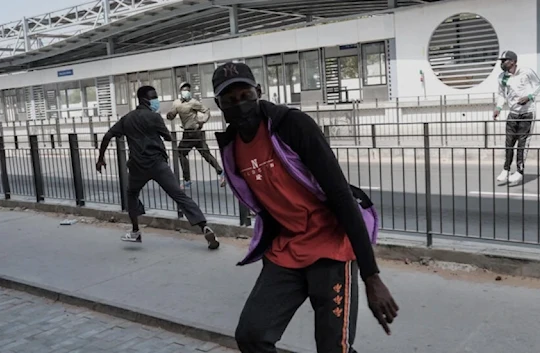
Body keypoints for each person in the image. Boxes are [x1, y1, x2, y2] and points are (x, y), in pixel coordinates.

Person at [212, 62, 398, 353]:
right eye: (229, 100)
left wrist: (371, 276)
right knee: (251, 335)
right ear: (218, 105)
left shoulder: (291, 126)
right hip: (286, 251)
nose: (240, 105)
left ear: (259, 92)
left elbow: (340, 194)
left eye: (246, 95)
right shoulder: (232, 147)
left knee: (333, 348)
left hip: (331, 248)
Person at [96, 85, 219, 250]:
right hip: (158, 164)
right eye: (154, 97)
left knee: (131, 193)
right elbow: (168, 137)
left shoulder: (127, 119)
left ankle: (135, 231)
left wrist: (101, 158)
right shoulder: (154, 117)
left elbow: (108, 136)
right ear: (145, 99)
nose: (156, 100)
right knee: (179, 195)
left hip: (138, 167)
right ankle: (203, 225)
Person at [493, 50, 540, 185]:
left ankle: (519, 171)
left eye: (505, 61)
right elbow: (501, 94)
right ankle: (506, 169)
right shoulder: (501, 77)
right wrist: (498, 108)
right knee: (509, 143)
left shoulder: (526, 72)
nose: (502, 63)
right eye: (501, 61)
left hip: (527, 112)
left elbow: (539, 85)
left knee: (522, 144)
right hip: (513, 113)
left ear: (513, 61)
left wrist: (529, 97)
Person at [167, 82, 225, 189]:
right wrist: (169, 115)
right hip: (189, 133)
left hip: (193, 133)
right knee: (205, 154)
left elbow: (206, 110)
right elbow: (172, 115)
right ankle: (221, 173)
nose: (186, 91)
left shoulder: (194, 102)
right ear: (180, 91)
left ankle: (187, 180)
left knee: (181, 152)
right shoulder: (176, 103)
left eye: (188, 90)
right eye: (184, 89)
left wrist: (203, 121)